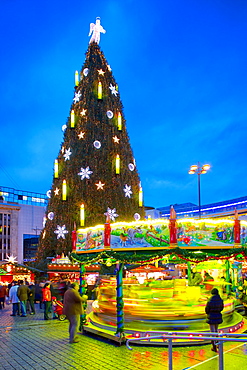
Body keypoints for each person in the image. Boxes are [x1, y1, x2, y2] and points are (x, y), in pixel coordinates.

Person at [205, 288, 224, 352]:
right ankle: (218, 343)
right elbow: (221, 308)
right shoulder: (220, 300)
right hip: (218, 316)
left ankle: (214, 346)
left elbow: (207, 310)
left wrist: (209, 313)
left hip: (211, 316)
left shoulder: (210, 300)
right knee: (216, 330)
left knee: (212, 332)